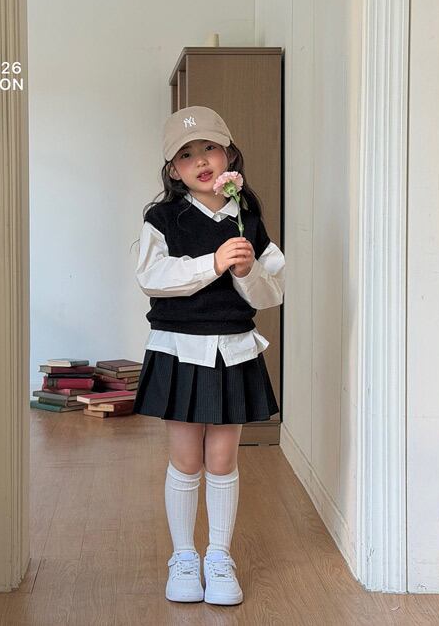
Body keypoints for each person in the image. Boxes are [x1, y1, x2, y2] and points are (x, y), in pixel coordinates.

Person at [132, 105, 286, 606]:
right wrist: (213, 263)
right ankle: (184, 556)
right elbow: (151, 278)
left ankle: (219, 556)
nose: (200, 161)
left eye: (209, 149)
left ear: (229, 155)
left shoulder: (248, 221)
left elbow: (272, 292)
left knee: (222, 461)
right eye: (186, 155)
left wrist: (245, 273)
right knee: (185, 459)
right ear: (173, 170)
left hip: (233, 350)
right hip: (179, 350)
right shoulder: (162, 219)